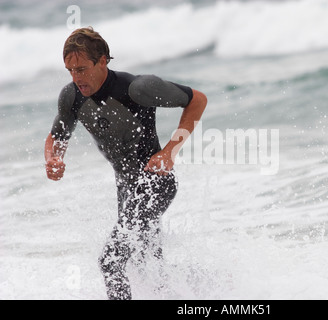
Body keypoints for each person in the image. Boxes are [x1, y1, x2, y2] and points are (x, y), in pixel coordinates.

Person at [44, 27, 207, 300]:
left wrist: (169, 152)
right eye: (70, 71)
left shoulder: (138, 89)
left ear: (103, 61)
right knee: (147, 267)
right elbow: (56, 137)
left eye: (82, 69)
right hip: (127, 190)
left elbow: (197, 100)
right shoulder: (71, 97)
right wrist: (53, 158)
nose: (76, 78)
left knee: (111, 260)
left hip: (156, 183)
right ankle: (200, 291)